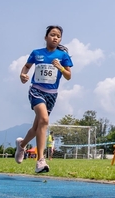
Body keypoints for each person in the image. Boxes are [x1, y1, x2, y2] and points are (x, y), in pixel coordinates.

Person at [15, 25, 73, 173]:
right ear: (46, 37)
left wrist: (60, 67)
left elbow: (68, 76)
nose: (55, 38)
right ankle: (40, 160)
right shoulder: (37, 53)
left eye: (58, 36)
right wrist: (23, 75)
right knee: (45, 120)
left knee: (36, 128)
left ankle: (21, 145)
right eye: (52, 35)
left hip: (52, 94)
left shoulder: (63, 56)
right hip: (36, 91)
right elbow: (26, 66)